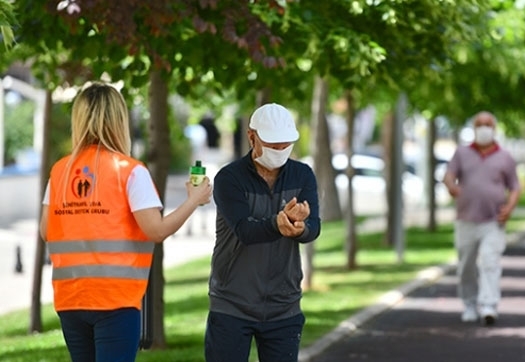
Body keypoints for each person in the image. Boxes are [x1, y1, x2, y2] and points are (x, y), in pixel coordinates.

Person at [39, 82, 212, 362]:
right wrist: (194, 200)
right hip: (115, 300)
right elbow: (156, 230)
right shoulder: (130, 171)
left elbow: (47, 231)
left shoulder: (61, 171)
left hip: (70, 298)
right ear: (119, 120)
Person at [205, 103, 321, 362]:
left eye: (285, 145)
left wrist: (301, 228)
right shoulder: (229, 178)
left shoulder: (302, 175)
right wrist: (277, 224)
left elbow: (314, 227)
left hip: (284, 305)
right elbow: (244, 230)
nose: (280, 151)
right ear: (251, 137)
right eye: (272, 145)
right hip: (232, 304)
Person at [443, 111, 521, 326]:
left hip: (493, 221)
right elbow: (449, 175)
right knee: (466, 265)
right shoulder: (461, 153)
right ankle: (469, 304)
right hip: (466, 220)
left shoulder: (505, 157)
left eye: (488, 124)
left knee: (490, 262)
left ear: (494, 128)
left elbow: (514, 187)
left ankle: (489, 305)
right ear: (474, 127)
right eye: (480, 124)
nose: (484, 127)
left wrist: (510, 208)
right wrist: (451, 186)